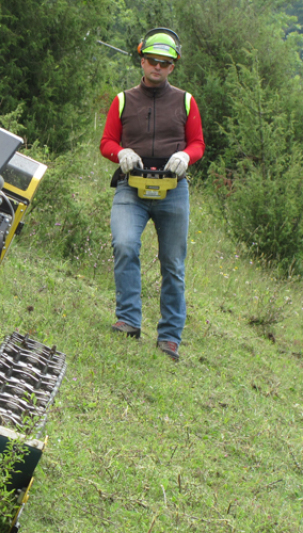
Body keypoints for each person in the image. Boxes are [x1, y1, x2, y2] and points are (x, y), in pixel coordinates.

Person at [99, 28, 205, 361]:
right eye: (151, 61)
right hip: (132, 185)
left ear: (173, 66)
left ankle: (170, 337)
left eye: (164, 63)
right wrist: (121, 154)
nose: (157, 68)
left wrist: (187, 156)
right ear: (141, 60)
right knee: (125, 244)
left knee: (173, 264)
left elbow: (198, 143)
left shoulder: (186, 102)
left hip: (174, 190)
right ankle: (129, 320)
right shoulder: (122, 100)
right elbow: (106, 142)